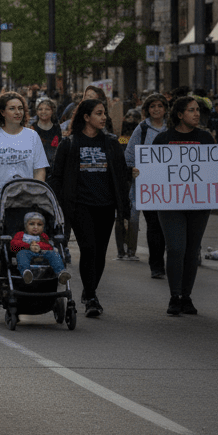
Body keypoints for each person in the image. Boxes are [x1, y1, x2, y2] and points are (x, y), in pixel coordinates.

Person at [143, 97, 218, 316]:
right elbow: (153, 170)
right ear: (180, 115)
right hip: (170, 203)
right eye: (191, 110)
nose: (196, 114)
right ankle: (174, 296)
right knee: (176, 248)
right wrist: (140, 172)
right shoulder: (164, 139)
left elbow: (213, 169)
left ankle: (186, 296)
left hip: (199, 203)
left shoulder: (205, 138)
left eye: (197, 110)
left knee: (192, 250)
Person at [49, 98, 129, 318]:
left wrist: (125, 210)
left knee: (101, 253)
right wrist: (56, 205)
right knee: (89, 249)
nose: (104, 118)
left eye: (104, 114)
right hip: (80, 206)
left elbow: (121, 178)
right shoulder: (70, 143)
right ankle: (92, 296)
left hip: (106, 206)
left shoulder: (112, 143)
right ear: (86, 117)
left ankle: (89, 289)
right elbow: (57, 177)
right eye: (99, 113)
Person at [122, 94, 167, 267]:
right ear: (147, 110)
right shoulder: (142, 129)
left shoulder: (172, 128)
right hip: (148, 186)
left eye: (160, 106)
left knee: (166, 225)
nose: (156, 109)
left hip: (169, 186)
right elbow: (130, 154)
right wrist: (132, 169)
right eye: (152, 106)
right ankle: (156, 265)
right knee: (154, 224)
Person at [0, 92, 49, 196]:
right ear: (2, 112)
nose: (17, 112)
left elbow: (39, 170)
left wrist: (35, 191)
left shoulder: (32, 136)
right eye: (12, 108)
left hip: (26, 198)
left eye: (20, 108)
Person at [11, 212, 70, 285]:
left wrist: (39, 246)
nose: (35, 227)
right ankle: (26, 272)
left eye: (39, 224)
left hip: (42, 254)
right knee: (21, 254)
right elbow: (13, 244)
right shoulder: (21, 235)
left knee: (53, 253)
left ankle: (61, 272)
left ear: (43, 227)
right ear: (26, 225)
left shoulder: (43, 236)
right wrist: (28, 246)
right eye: (31, 224)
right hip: (26, 253)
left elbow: (49, 246)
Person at [31, 99, 62, 168]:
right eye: (40, 109)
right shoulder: (33, 127)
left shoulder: (56, 127)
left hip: (53, 160)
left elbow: (56, 145)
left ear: (52, 111)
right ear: (37, 112)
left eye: (47, 109)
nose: (43, 112)